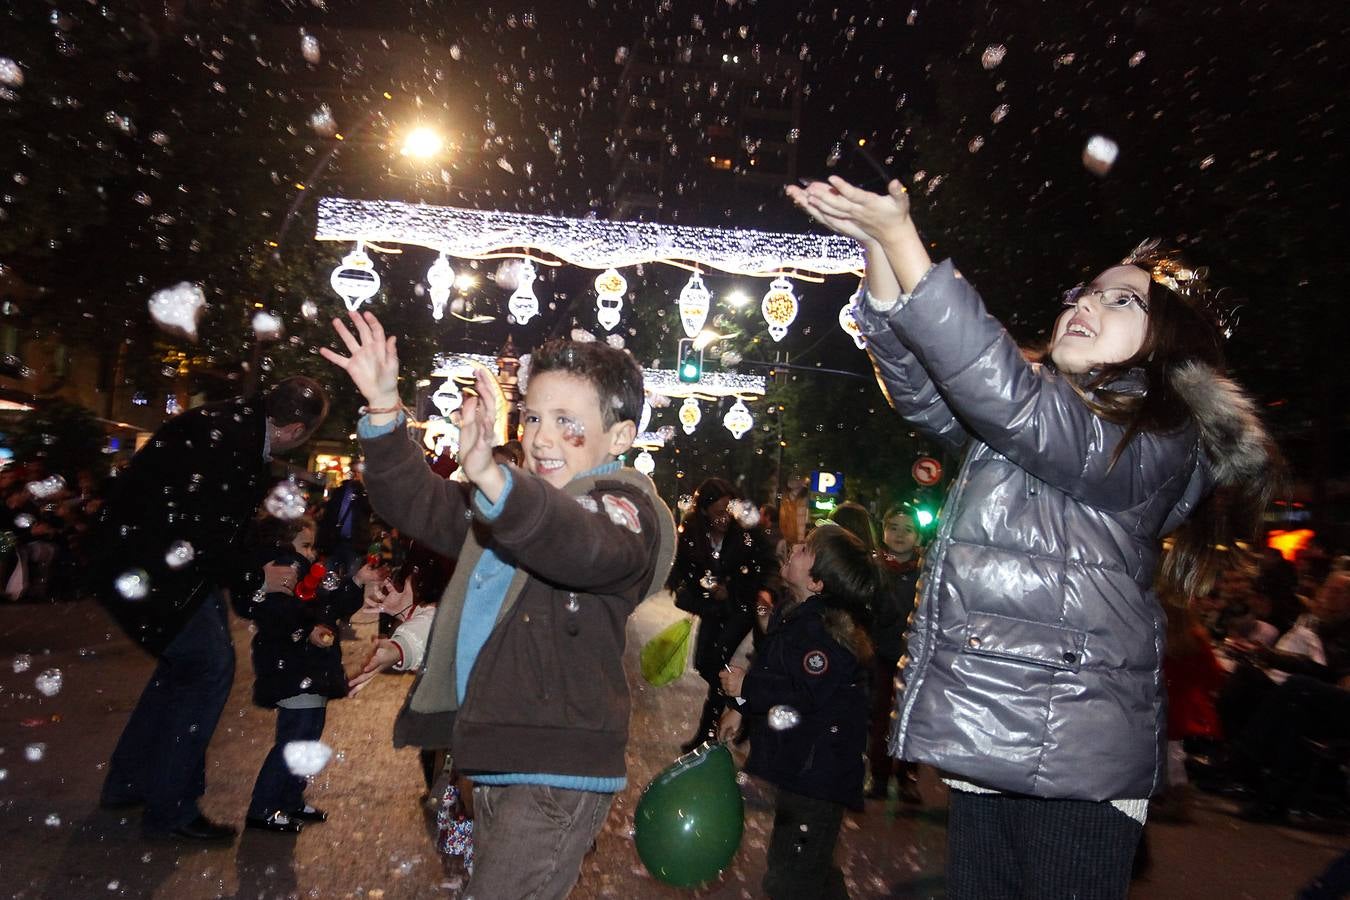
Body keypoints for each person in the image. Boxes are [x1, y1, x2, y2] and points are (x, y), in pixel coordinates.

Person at [787, 176, 1276, 898]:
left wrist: (904, 239)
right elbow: (931, 389)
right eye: (1085, 290)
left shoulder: (1155, 435)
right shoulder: (1044, 422)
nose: (1086, 303)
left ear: (1168, 347)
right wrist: (878, 258)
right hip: (999, 739)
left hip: (1077, 764)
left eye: (1123, 300)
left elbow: (1006, 396)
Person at [321, 311, 676, 900]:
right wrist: (385, 412)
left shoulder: (626, 510)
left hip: (556, 774)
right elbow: (418, 502)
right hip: (488, 757)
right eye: (534, 416)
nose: (541, 438)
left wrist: (494, 479)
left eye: (568, 423)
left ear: (620, 437)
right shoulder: (510, 503)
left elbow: (584, 546)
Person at [95, 376, 328, 841]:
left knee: (185, 666)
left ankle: (133, 780)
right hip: (153, 568)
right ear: (293, 429)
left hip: (140, 561)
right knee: (206, 666)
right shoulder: (235, 444)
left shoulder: (230, 425)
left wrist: (248, 575)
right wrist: (255, 578)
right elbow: (206, 531)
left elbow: (210, 527)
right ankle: (170, 807)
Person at [717, 524, 876, 900]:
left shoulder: (822, 632)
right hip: (806, 771)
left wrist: (747, 689)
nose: (795, 547)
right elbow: (776, 675)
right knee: (810, 871)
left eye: (807, 549)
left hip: (818, 775)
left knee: (791, 878)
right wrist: (740, 704)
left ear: (818, 582)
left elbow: (804, 693)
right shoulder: (801, 617)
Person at [235, 514, 377, 833]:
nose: (311, 553)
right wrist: (307, 628)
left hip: (312, 669)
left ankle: (289, 799)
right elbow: (277, 614)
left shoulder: (307, 573)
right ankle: (264, 806)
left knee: (307, 738)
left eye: (312, 546)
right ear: (285, 544)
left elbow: (332, 605)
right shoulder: (285, 572)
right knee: (294, 740)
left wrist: (356, 582)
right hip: (295, 669)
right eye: (305, 545)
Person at [669, 477, 778, 751]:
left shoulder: (747, 531)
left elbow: (766, 565)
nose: (724, 518)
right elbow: (683, 571)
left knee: (718, 660)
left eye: (727, 511)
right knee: (706, 664)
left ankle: (709, 731)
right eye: (718, 512)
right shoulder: (692, 533)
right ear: (704, 510)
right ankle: (743, 702)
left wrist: (757, 590)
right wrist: (706, 587)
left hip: (741, 606)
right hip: (713, 609)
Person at [869, 504, 925, 804]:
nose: (900, 535)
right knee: (879, 715)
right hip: (881, 652)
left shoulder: (925, 569)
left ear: (917, 535)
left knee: (910, 716)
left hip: (914, 656)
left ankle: (907, 778)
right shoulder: (873, 567)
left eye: (907, 529)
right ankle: (878, 775)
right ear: (883, 531)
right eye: (894, 528)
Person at [316, 464, 372, 578]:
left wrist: (363, 487)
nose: (356, 475)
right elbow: (329, 515)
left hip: (355, 543)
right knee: (329, 574)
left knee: (352, 577)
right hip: (335, 541)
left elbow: (368, 509)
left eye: (359, 473)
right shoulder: (340, 491)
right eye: (354, 472)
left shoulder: (364, 494)